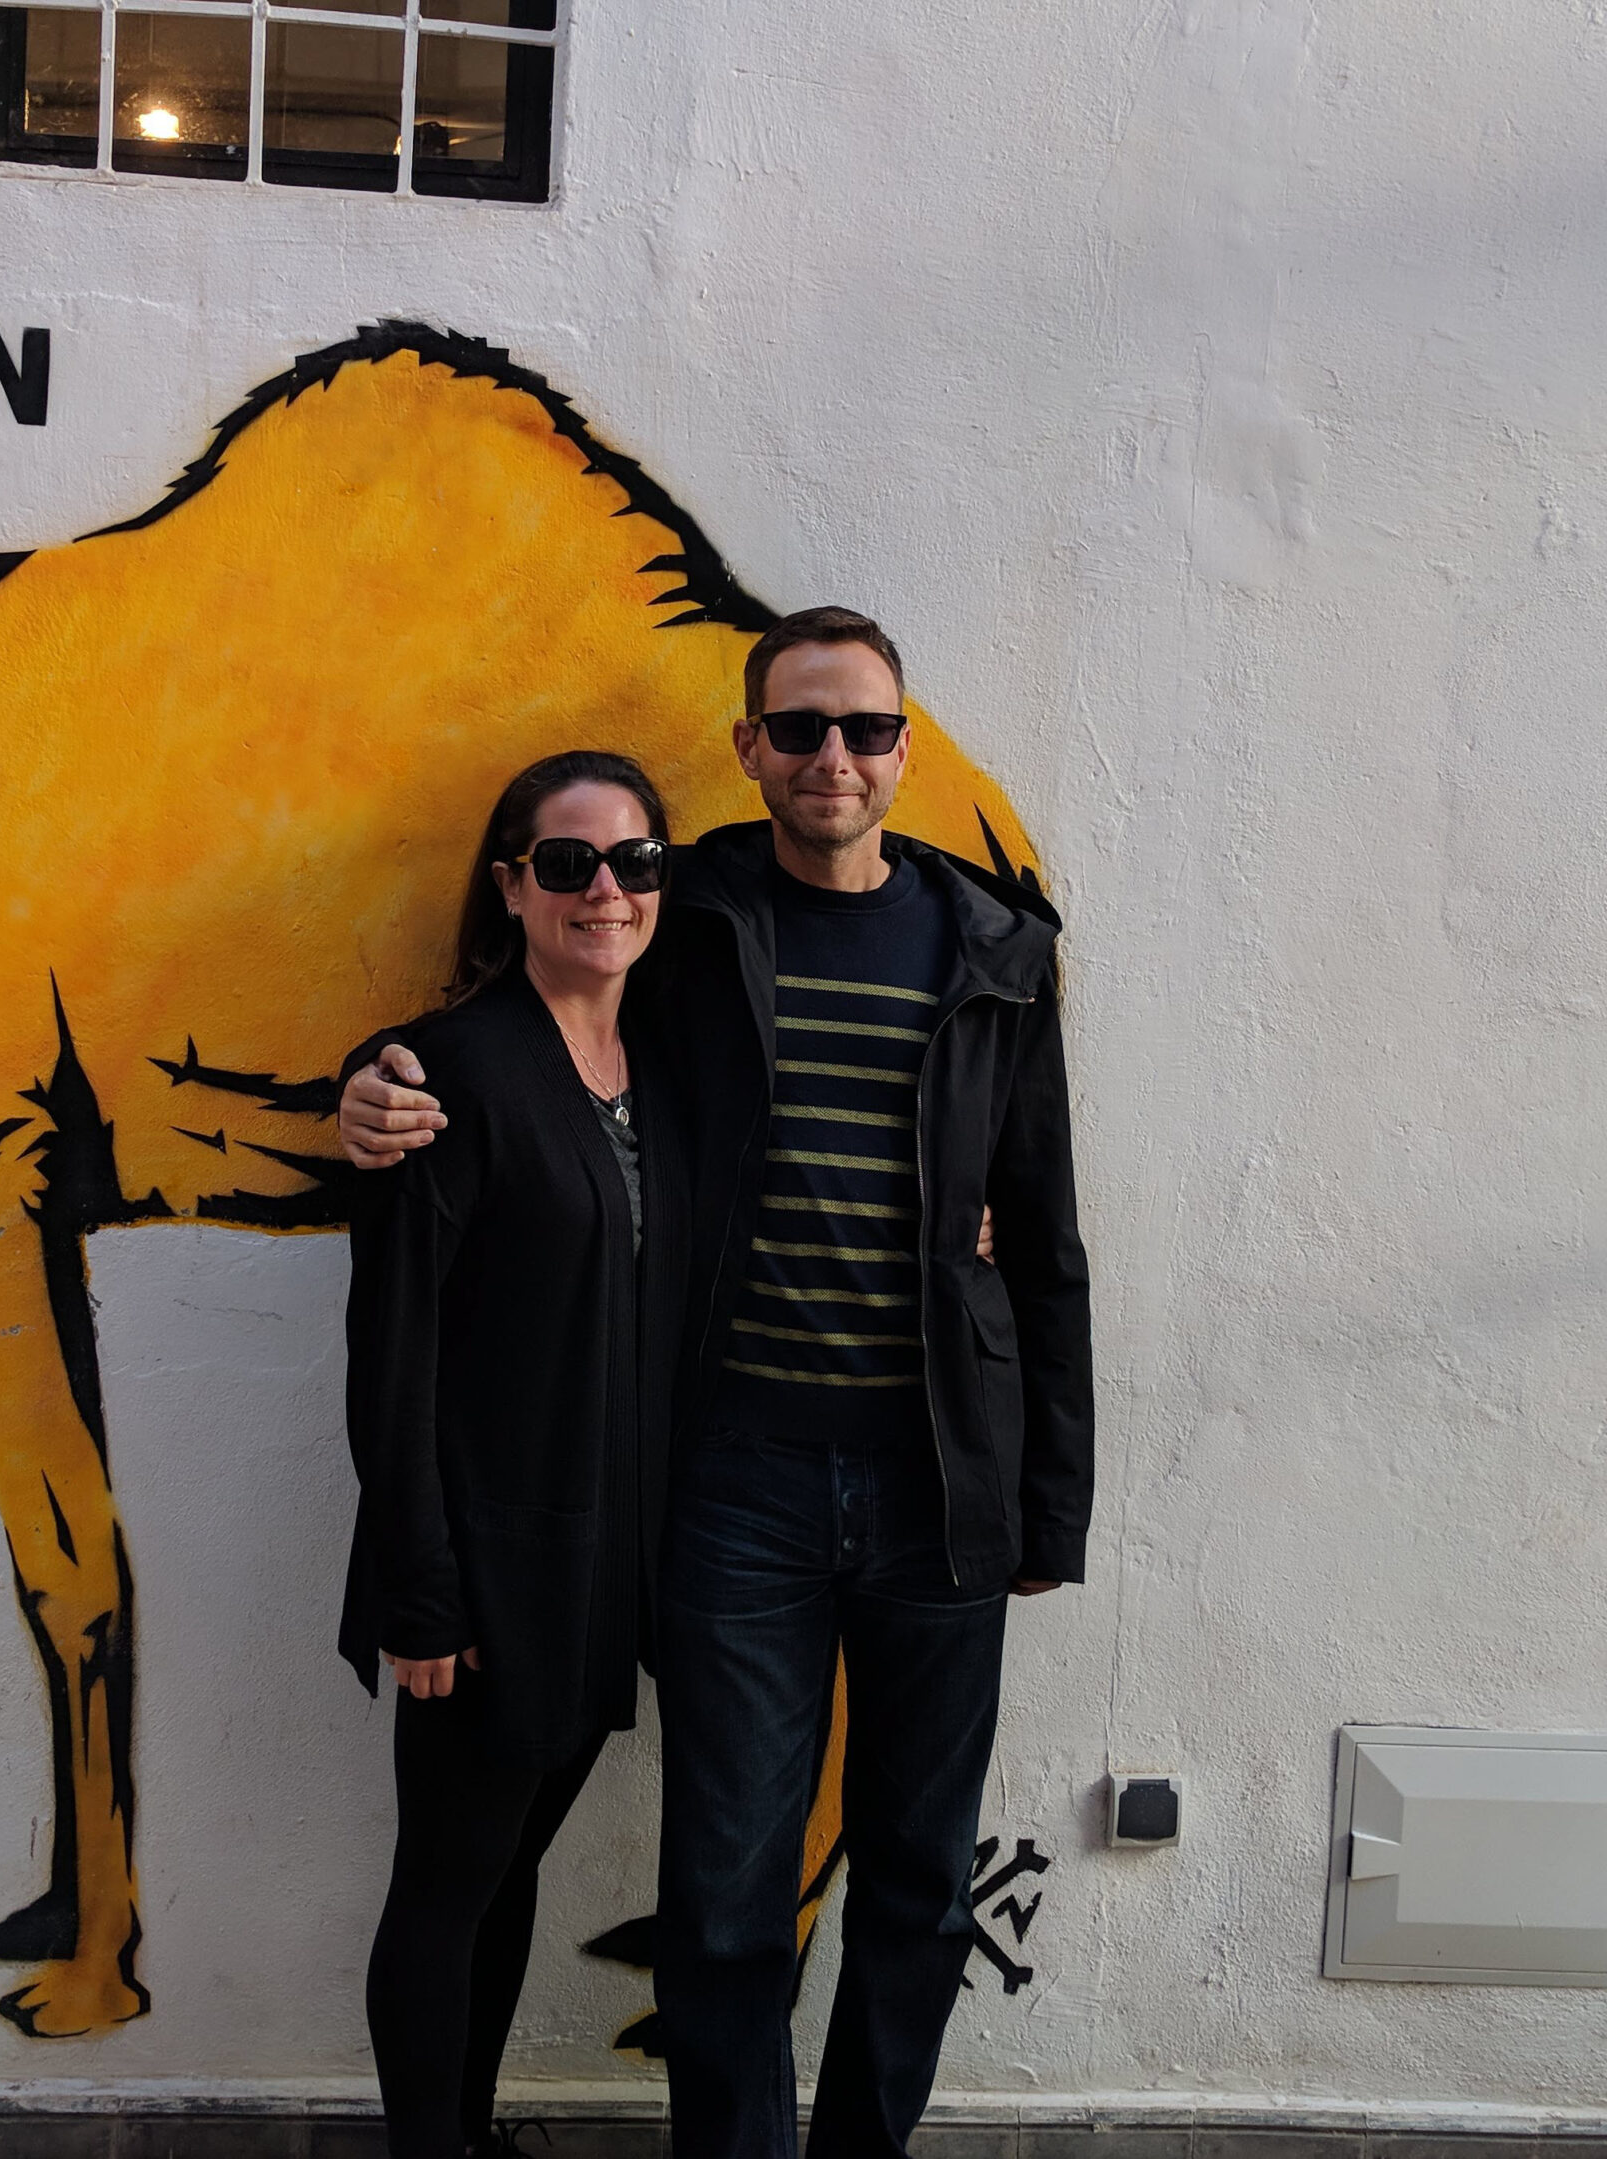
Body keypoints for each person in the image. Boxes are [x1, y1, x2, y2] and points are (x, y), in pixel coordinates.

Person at [339, 609, 1094, 2159]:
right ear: (750, 748)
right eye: (800, 728)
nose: (834, 758)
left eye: (866, 730)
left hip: (941, 1484)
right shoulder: (696, 920)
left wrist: (1052, 1500)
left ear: (904, 746)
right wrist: (364, 1082)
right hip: (732, 1484)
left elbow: (1048, 1243)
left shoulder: (995, 954)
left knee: (914, 1880)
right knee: (732, 1893)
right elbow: (523, 1020)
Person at [340, 750, 692, 2159]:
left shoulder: (660, 1065)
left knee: (507, 1868)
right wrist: (421, 1588)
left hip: (604, 1556)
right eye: (567, 864)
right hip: (483, 1568)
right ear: (513, 884)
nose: (604, 890)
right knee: (447, 1882)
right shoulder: (448, 1073)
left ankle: (468, 2134)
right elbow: (395, 1349)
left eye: (634, 864)